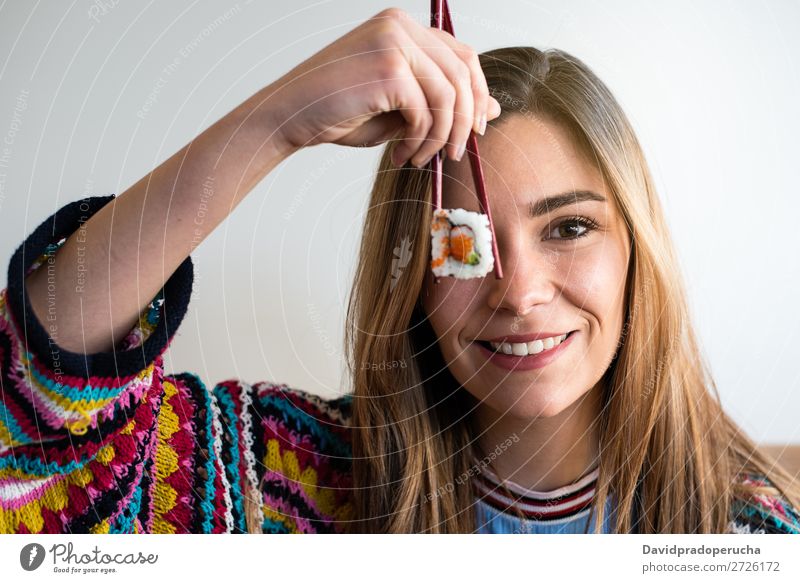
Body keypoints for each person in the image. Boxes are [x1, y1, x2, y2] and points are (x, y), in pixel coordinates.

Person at [1, 7, 798, 535]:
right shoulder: (290, 479)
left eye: (570, 227)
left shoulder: (750, 528)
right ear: (408, 274)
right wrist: (277, 121)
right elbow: (33, 444)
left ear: (637, 252)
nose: (518, 291)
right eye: (460, 241)